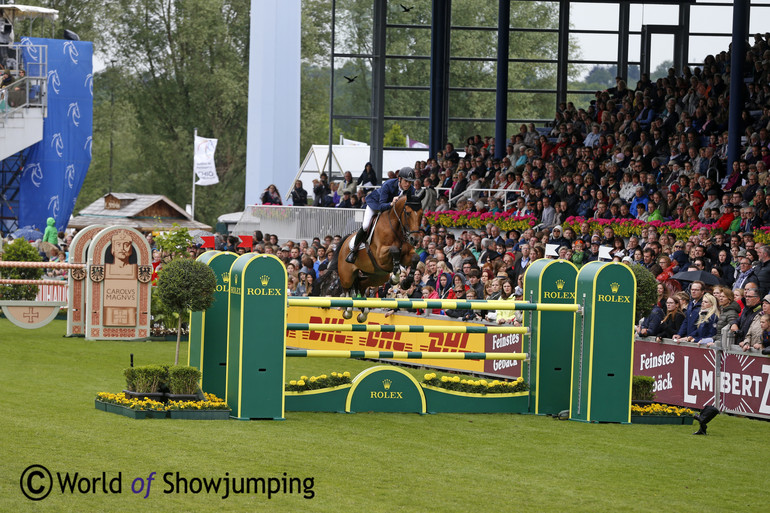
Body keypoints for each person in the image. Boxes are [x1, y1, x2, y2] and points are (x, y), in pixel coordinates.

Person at [345, 167, 416, 263]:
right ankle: (353, 251)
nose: (408, 184)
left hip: (391, 211)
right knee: (366, 226)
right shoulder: (388, 184)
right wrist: (391, 203)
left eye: (410, 182)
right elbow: (382, 204)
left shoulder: (411, 189)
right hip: (376, 205)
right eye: (406, 181)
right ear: (399, 179)